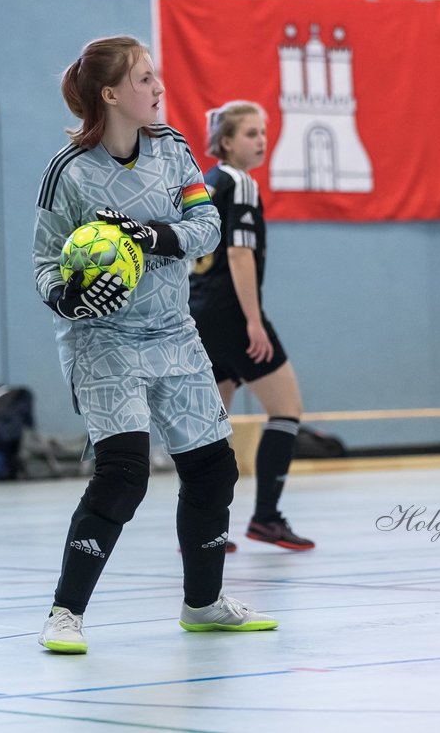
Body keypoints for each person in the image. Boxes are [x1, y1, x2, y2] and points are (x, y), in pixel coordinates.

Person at [31, 36, 278, 654]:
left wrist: (145, 234)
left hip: (174, 333)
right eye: (145, 80)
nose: (158, 89)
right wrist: (68, 297)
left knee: (214, 468)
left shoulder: (173, 150)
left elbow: (207, 229)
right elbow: (43, 264)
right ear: (111, 94)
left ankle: (204, 605)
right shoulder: (68, 171)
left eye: (156, 77)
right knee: (123, 475)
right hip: (102, 339)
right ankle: (65, 615)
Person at [188, 101, 313, 551]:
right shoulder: (240, 183)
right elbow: (240, 254)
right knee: (287, 409)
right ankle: (266, 518)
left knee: (212, 427)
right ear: (225, 142)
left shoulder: (204, 182)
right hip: (231, 314)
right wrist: (254, 322)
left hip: (199, 311)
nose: (261, 141)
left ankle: (204, 529)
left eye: (263, 132)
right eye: (250, 134)